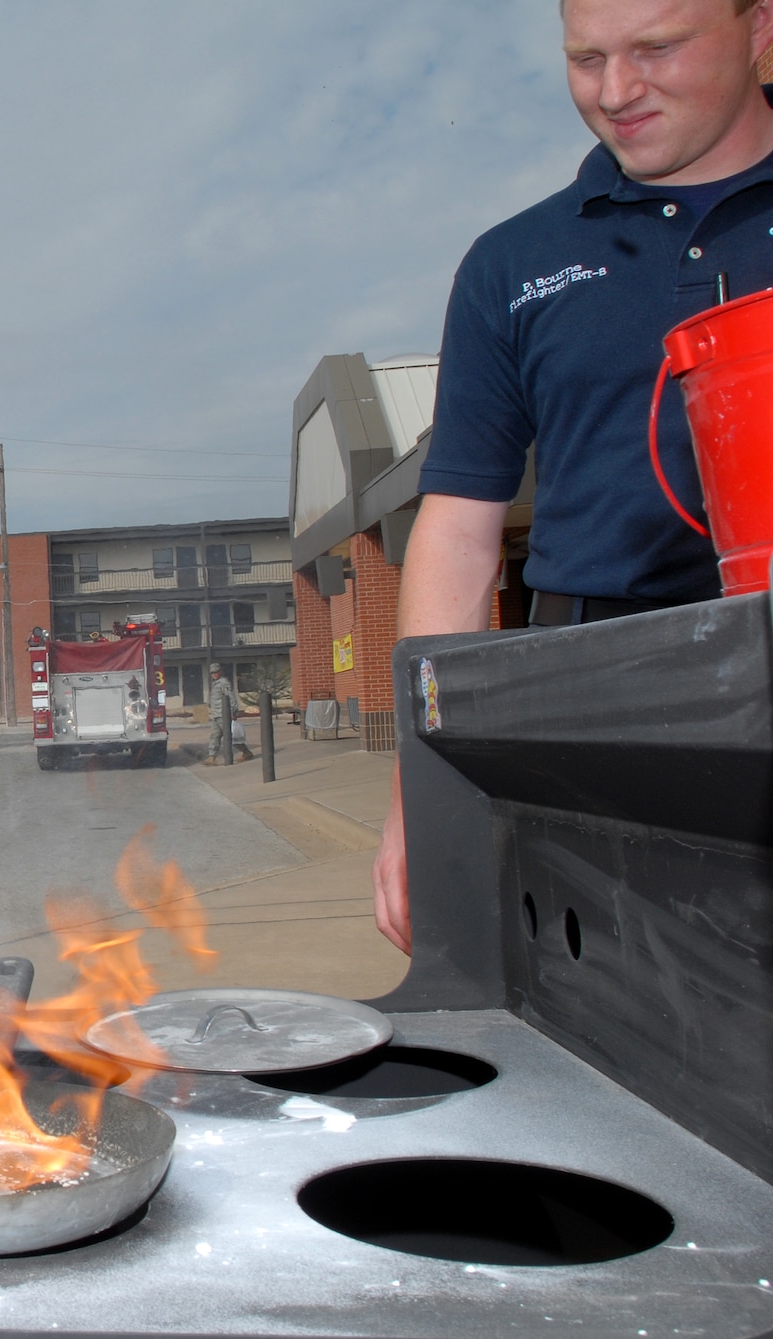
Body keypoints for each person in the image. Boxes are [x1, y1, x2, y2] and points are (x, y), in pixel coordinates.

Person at [373, 0, 773, 953]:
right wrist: (417, 790)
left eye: (657, 49)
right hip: (602, 710)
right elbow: (459, 535)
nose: (616, 92)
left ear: (759, 27)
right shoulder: (514, 264)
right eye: (585, 59)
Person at [203, 666, 252, 765]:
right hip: (216, 715)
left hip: (224, 714)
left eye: (216, 672)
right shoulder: (215, 684)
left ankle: (246, 752)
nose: (214, 674)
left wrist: (234, 712)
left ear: (220, 672)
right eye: (212, 673)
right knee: (214, 736)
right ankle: (212, 757)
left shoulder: (224, 683)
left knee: (230, 736)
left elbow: (231, 697)